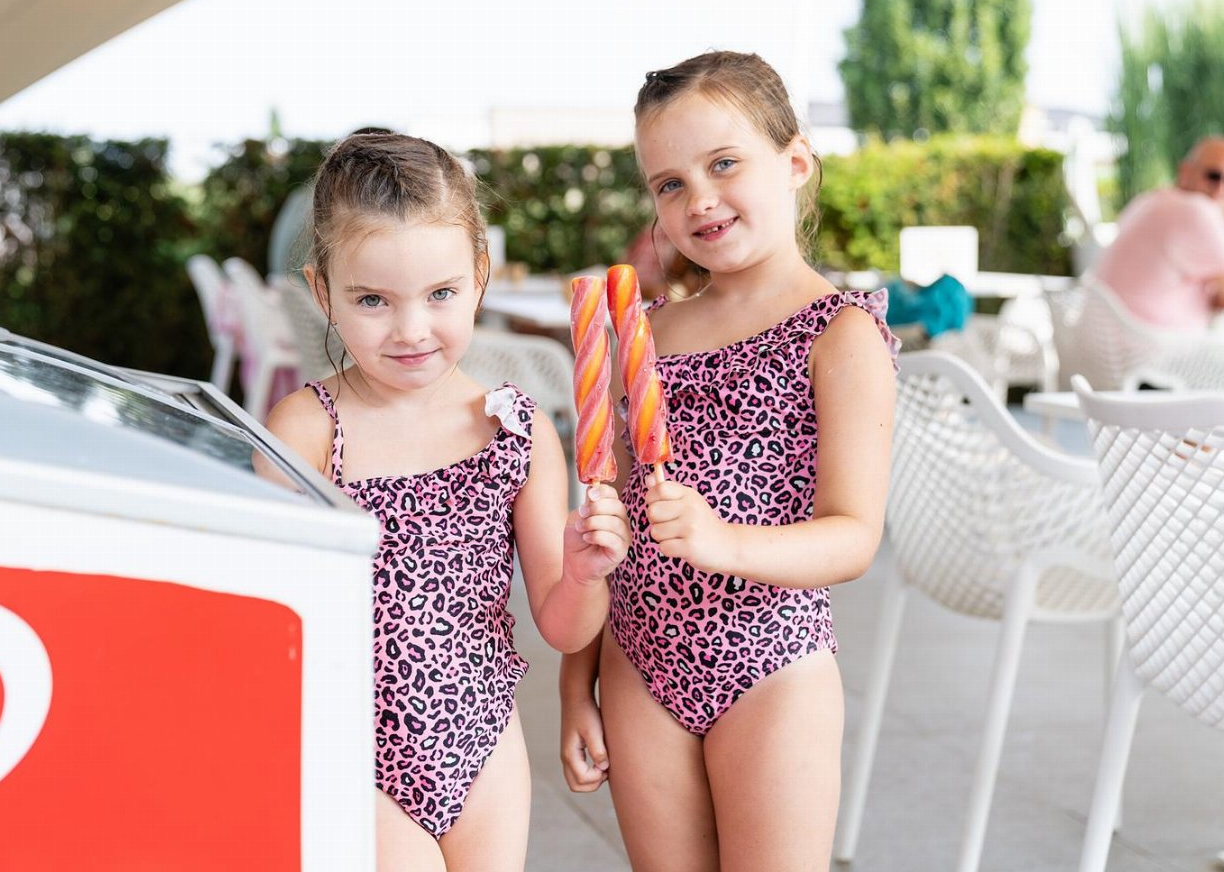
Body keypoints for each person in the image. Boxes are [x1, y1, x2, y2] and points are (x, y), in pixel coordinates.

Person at [559, 51, 900, 871]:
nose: (699, 200)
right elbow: (605, 531)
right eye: (669, 184)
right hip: (639, 661)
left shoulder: (841, 334)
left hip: (773, 664)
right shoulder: (645, 336)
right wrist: (577, 682)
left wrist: (725, 541)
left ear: (795, 163)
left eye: (723, 164)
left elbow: (853, 536)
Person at [259, 129, 632, 872]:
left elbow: (562, 625)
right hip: (351, 747)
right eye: (372, 300)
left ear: (480, 275)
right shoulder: (305, 430)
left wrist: (586, 572)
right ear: (322, 291)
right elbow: (272, 621)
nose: (411, 330)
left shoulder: (516, 431)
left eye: (440, 294)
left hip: (485, 746)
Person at [1095, 135, 1224, 329]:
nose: (1222, 189)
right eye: (1214, 176)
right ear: (1185, 171)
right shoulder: (1197, 211)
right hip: (1151, 342)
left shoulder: (1147, 201)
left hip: (1101, 338)